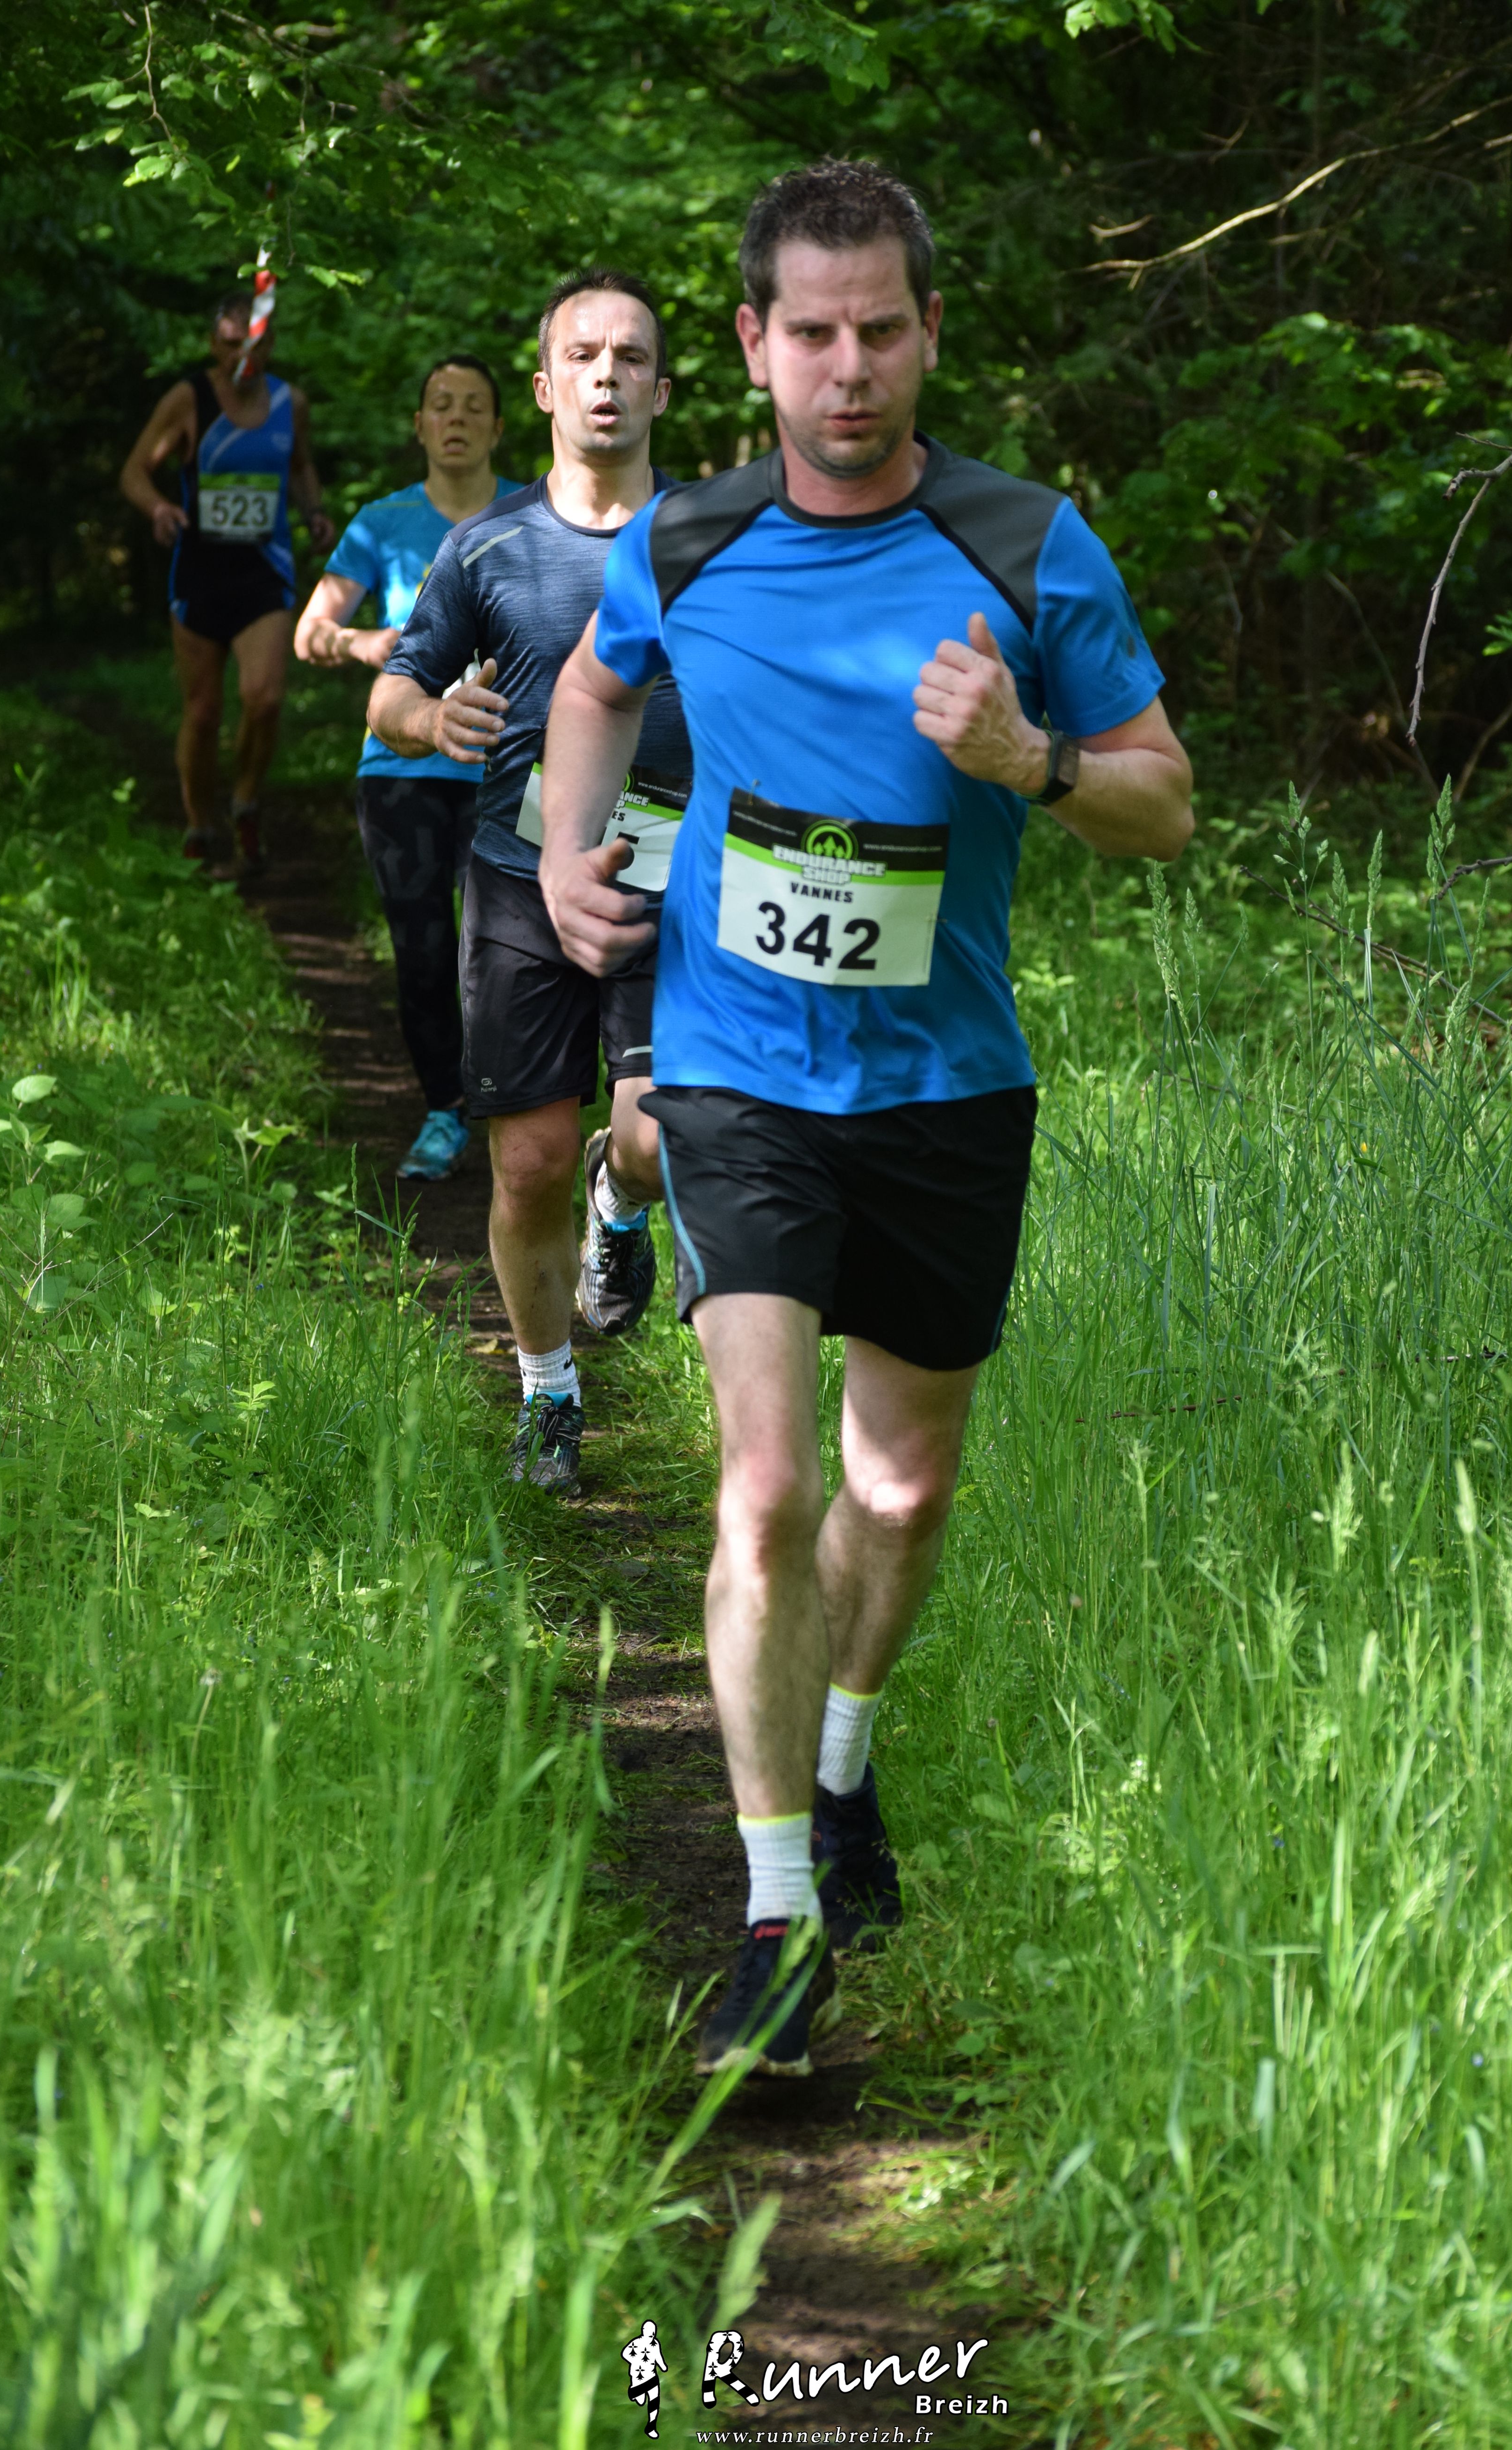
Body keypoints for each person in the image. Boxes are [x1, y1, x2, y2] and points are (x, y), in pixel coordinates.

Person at [536, 161, 1195, 2077]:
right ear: (753, 344)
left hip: (944, 1088)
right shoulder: (688, 538)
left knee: (897, 1496)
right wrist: (569, 857)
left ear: (927, 333)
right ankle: (773, 1919)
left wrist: (1030, 757)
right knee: (765, 1485)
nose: (848, 369)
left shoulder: (1027, 546)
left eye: (880, 331)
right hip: (735, 1071)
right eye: (811, 333)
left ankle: (838, 1765)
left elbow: (1162, 804)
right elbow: (593, 689)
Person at [367, 270, 691, 1495]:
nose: (607, 376)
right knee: (526, 1163)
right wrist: (428, 717)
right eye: (584, 357)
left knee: (652, 1140)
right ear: (547, 389)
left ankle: (623, 1203)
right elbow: (392, 693)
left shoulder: (715, 541)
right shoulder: (487, 546)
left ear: (662, 390)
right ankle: (549, 1393)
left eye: (631, 357)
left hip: (671, 881)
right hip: (516, 879)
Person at [294, 357, 524, 1181]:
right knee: (424, 950)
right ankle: (444, 1110)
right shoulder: (381, 523)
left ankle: (514, 1111)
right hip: (402, 769)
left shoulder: (534, 515)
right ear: (420, 425)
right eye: (441, 406)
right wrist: (365, 643)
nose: (456, 418)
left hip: (510, 767)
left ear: (499, 427)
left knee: (507, 951)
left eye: (473, 406)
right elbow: (310, 633)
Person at [120, 288, 334, 873]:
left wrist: (314, 511)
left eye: (255, 344)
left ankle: (245, 801)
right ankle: (199, 826)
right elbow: (135, 471)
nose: (245, 356)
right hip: (200, 573)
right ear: (214, 345)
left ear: (269, 345)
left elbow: (301, 467)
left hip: (264, 574)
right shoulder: (188, 399)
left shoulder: (291, 403)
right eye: (232, 344)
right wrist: (159, 508)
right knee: (203, 712)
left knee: (264, 699)